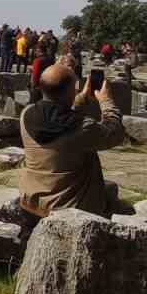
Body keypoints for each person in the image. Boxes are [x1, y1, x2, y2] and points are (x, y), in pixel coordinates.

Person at [18, 62, 125, 221]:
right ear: (69, 90)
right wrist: (106, 101)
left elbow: (59, 118)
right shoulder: (83, 128)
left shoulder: (26, 114)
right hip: (69, 209)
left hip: (32, 201)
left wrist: (79, 100)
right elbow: (114, 133)